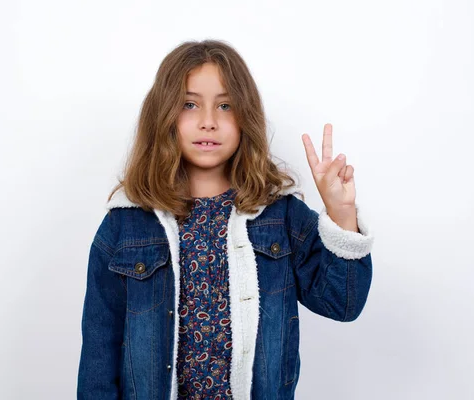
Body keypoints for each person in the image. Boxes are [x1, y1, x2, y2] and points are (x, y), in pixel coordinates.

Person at [77, 39, 375, 400]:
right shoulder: (125, 226)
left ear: (245, 115)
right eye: (189, 104)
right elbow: (99, 349)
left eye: (225, 105)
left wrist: (341, 214)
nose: (208, 122)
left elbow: (342, 304)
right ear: (164, 114)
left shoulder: (279, 214)